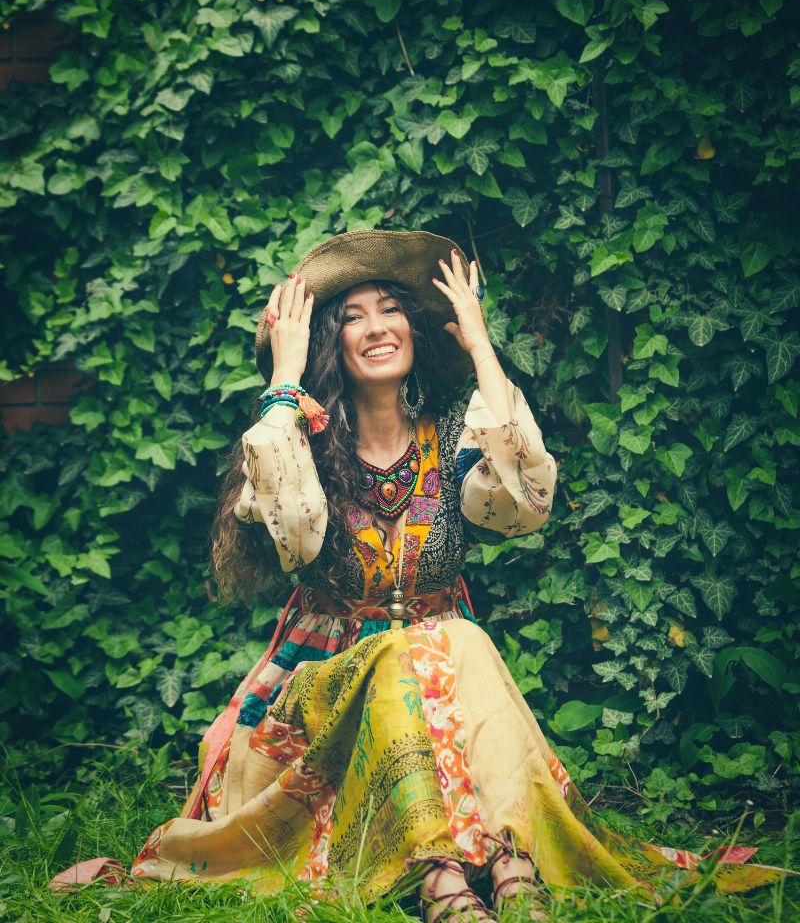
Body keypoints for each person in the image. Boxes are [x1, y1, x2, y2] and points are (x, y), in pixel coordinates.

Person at [56, 231, 787, 916]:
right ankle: (440, 873)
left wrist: (480, 345)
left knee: (455, 640)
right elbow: (296, 529)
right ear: (327, 343)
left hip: (446, 685)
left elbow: (525, 502)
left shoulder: (455, 445)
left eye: (392, 310)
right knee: (429, 645)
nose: (377, 327)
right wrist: (284, 372)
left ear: (413, 331)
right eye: (353, 317)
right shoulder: (299, 449)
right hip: (325, 694)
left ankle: (507, 866)